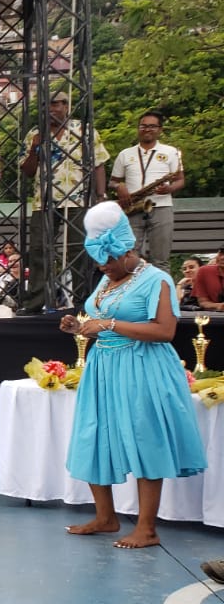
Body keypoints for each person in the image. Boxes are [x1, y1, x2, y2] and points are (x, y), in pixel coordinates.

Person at [58, 201, 206, 550]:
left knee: (145, 439)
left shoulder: (157, 279)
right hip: (104, 367)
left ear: (128, 250)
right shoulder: (106, 283)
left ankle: (147, 528)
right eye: (98, 261)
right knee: (94, 437)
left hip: (143, 367)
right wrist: (78, 327)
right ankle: (106, 517)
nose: (103, 267)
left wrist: (109, 324)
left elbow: (166, 331)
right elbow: (99, 320)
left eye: (108, 260)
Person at [19, 91, 109, 313]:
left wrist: (100, 196)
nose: (54, 108)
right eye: (50, 104)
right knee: (40, 250)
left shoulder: (85, 131)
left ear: (67, 106)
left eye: (59, 104)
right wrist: (34, 149)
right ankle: (36, 301)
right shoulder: (34, 134)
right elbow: (28, 170)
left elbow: (99, 164)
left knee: (78, 250)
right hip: (44, 201)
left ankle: (82, 301)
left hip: (78, 199)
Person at [110, 111, 184, 268]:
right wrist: (119, 186)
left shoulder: (171, 152)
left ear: (160, 129)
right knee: (129, 257)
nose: (147, 129)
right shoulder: (125, 154)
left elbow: (180, 180)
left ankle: (162, 292)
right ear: (138, 128)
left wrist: (169, 188)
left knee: (161, 259)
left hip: (161, 206)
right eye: (143, 126)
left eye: (152, 126)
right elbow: (112, 182)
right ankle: (131, 291)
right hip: (132, 207)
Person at [193, 246, 224, 311]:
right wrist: (219, 306)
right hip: (215, 317)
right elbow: (203, 302)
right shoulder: (204, 271)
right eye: (221, 253)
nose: (222, 257)